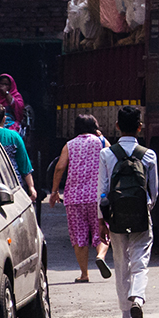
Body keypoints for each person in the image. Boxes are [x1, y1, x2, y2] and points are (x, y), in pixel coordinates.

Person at [99, 105, 158, 318]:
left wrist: (101, 221)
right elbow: (154, 191)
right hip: (141, 214)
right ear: (140, 127)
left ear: (116, 126)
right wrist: (147, 208)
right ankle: (138, 300)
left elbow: (102, 192)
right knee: (140, 260)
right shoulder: (149, 155)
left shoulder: (106, 154)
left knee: (121, 263)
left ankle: (125, 316)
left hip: (115, 216)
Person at [49, 114, 111, 284]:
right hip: (97, 197)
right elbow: (112, 162)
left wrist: (54, 191)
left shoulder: (69, 145)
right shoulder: (102, 143)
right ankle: (100, 255)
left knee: (79, 236)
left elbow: (60, 167)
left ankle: (84, 274)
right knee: (103, 229)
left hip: (74, 197)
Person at [0, 103, 36, 201]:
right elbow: (24, 165)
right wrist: (31, 187)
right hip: (13, 186)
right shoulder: (14, 137)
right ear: (4, 119)